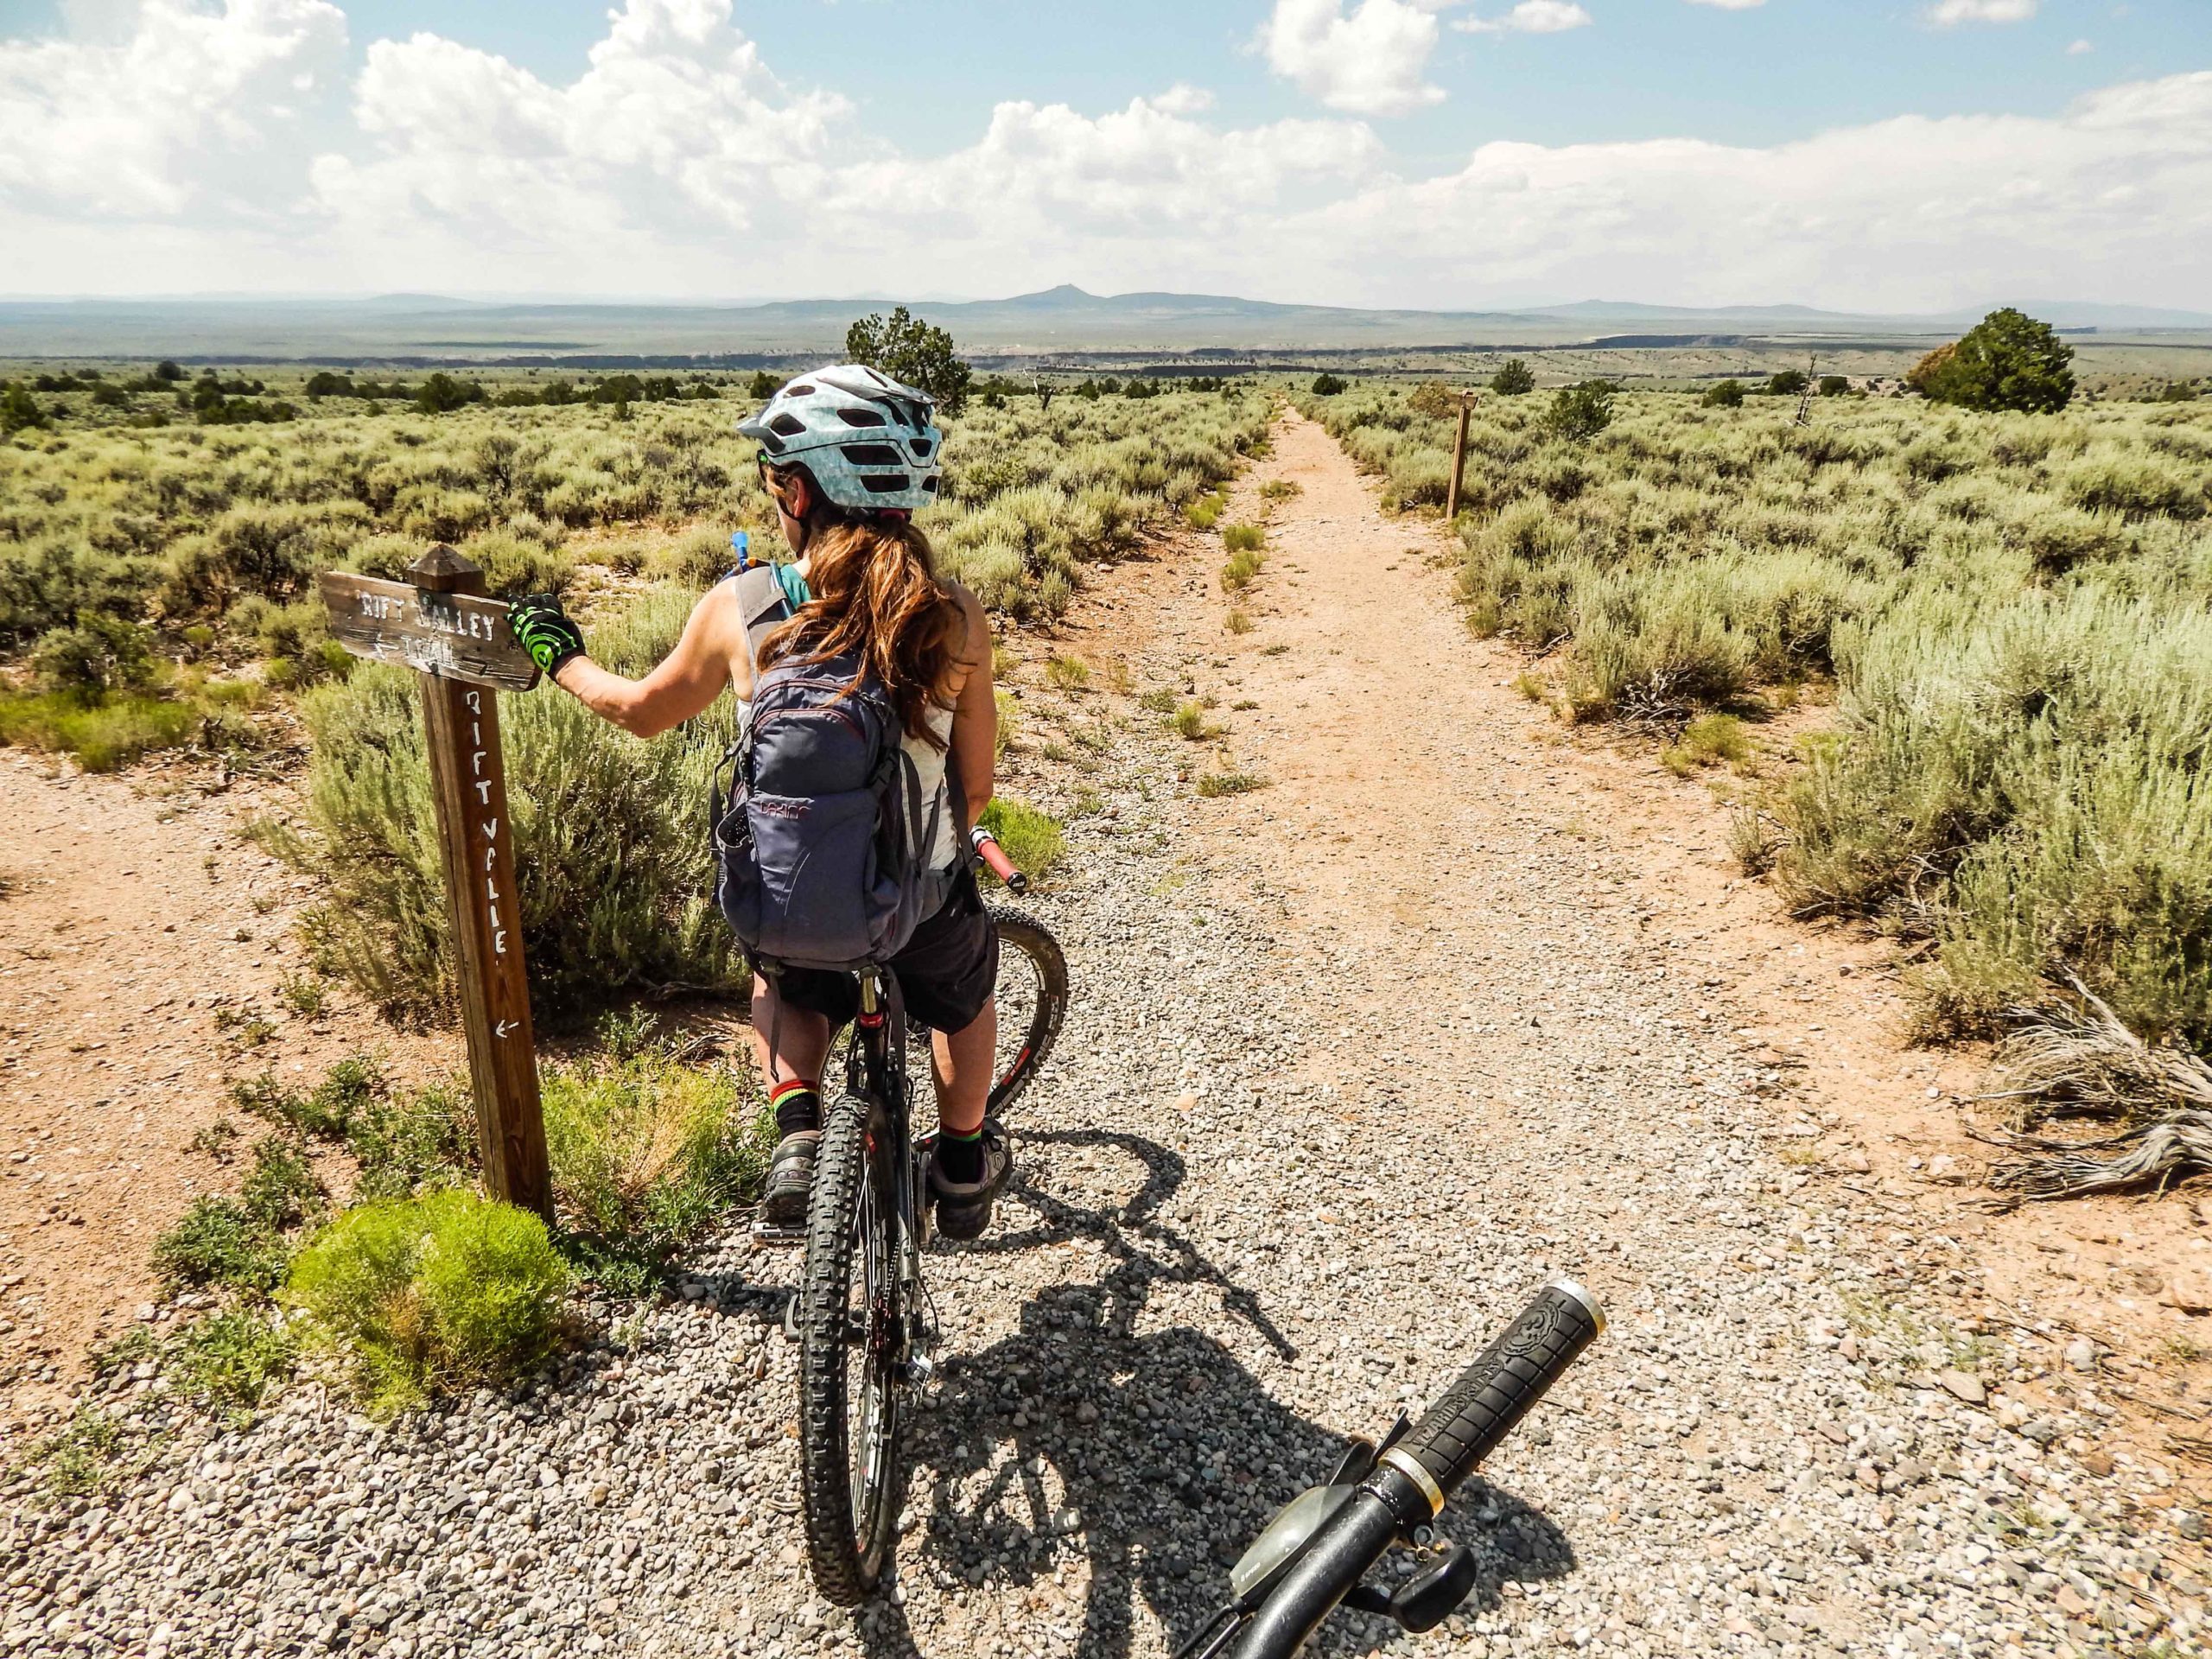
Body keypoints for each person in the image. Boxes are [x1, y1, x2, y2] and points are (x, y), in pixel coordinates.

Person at [505, 365, 1011, 1241]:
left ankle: (798, 1134)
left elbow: (636, 712)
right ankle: (962, 1165)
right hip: (916, 896)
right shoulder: (954, 616)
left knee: (783, 975)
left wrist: (559, 654)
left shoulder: (741, 607)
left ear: (800, 489)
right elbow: (975, 788)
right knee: (962, 997)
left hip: (789, 894)